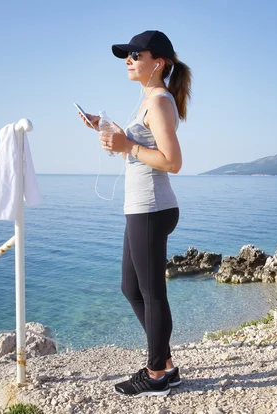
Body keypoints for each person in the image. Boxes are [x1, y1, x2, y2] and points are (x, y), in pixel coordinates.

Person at [79, 30, 192, 397]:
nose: (128, 60)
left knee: (152, 292)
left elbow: (172, 162)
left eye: (135, 55)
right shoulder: (147, 101)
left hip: (152, 207)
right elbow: (140, 148)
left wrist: (126, 144)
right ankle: (167, 364)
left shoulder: (158, 102)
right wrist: (107, 130)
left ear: (157, 62)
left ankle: (156, 373)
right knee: (132, 288)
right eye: (126, 55)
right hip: (141, 208)